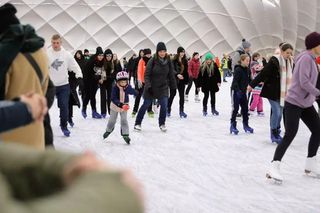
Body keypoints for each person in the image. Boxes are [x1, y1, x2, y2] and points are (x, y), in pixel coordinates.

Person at [266, 32, 320, 182]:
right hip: (294, 102)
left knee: (317, 130)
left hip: (306, 103)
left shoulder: (312, 58)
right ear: (315, 45)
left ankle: (310, 163)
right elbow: (304, 82)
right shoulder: (305, 59)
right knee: (290, 133)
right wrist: (318, 93)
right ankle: (274, 166)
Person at [0, 3, 49, 149]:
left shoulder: (5, 57)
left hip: (9, 139)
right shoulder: (40, 51)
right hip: (35, 129)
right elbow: (44, 88)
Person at [248, 43, 294, 144]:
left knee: (280, 113)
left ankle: (277, 131)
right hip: (272, 90)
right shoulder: (274, 61)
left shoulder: (290, 62)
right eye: (287, 53)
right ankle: (273, 132)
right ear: (282, 51)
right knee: (277, 112)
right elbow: (263, 74)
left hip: (283, 92)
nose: (289, 55)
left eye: (291, 53)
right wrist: (251, 85)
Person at [134, 42, 177, 132]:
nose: (162, 53)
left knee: (164, 105)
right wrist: (148, 86)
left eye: (164, 51)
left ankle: (162, 123)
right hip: (152, 88)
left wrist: (173, 86)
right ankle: (137, 123)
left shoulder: (168, 61)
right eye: (160, 51)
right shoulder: (152, 60)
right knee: (146, 104)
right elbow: (147, 75)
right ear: (157, 52)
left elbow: (171, 74)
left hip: (163, 87)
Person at [48, 34, 83, 137]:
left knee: (64, 106)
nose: (55, 45)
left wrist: (79, 76)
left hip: (63, 85)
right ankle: (42, 126)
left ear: (61, 43)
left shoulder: (66, 55)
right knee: (44, 106)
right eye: (53, 43)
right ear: (51, 43)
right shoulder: (47, 54)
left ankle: (64, 125)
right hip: (50, 85)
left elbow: (75, 66)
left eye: (57, 43)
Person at [103, 71, 137, 144]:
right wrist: (120, 104)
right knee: (112, 120)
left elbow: (132, 91)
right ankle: (108, 130)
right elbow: (113, 98)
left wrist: (136, 92)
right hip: (115, 106)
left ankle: (125, 134)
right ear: (118, 82)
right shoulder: (115, 88)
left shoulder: (127, 87)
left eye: (125, 82)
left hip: (124, 106)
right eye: (122, 82)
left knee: (124, 120)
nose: (124, 83)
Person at [230, 54, 253, 134]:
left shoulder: (248, 70)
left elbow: (250, 80)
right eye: (247, 60)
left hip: (243, 92)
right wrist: (237, 90)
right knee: (235, 109)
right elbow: (235, 81)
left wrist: (252, 85)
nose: (248, 62)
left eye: (249, 61)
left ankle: (246, 125)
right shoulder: (238, 69)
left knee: (245, 109)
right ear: (242, 60)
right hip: (236, 91)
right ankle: (233, 125)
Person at [82, 47, 104, 119]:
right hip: (88, 80)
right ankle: (85, 108)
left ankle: (93, 111)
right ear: (97, 55)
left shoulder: (102, 61)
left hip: (95, 81)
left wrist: (100, 78)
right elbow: (86, 72)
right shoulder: (91, 61)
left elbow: (102, 71)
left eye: (102, 55)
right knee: (89, 95)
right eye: (99, 55)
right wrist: (93, 77)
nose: (101, 57)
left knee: (92, 95)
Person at [168, 47, 189, 118]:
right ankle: (168, 109)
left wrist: (186, 79)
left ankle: (181, 111)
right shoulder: (173, 60)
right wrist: (177, 74)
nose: (182, 53)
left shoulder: (185, 61)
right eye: (181, 52)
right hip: (174, 80)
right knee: (172, 95)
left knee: (182, 96)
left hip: (182, 80)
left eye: (183, 52)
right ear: (178, 52)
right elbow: (171, 70)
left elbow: (186, 71)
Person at [132, 48, 154, 117]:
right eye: (147, 54)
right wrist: (139, 80)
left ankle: (149, 110)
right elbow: (139, 71)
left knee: (150, 96)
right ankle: (135, 110)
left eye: (149, 54)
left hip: (149, 82)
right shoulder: (141, 61)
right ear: (144, 54)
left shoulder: (152, 60)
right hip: (142, 81)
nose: (149, 55)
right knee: (138, 96)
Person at [101, 49, 116, 118]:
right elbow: (99, 73)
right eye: (107, 56)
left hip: (110, 83)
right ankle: (103, 112)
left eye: (110, 55)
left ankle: (110, 111)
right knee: (103, 97)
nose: (108, 57)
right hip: (103, 83)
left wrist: (108, 77)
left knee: (110, 97)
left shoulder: (113, 64)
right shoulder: (102, 63)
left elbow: (114, 75)